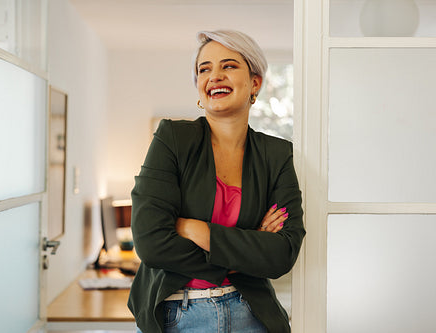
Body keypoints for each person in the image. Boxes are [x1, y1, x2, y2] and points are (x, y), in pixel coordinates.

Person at [128, 29, 305, 333]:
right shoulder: (172, 138)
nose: (215, 76)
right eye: (204, 69)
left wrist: (196, 229)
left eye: (229, 66)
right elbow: (151, 243)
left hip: (251, 314)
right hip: (176, 315)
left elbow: (282, 253)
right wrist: (248, 250)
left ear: (255, 83)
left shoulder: (277, 154)